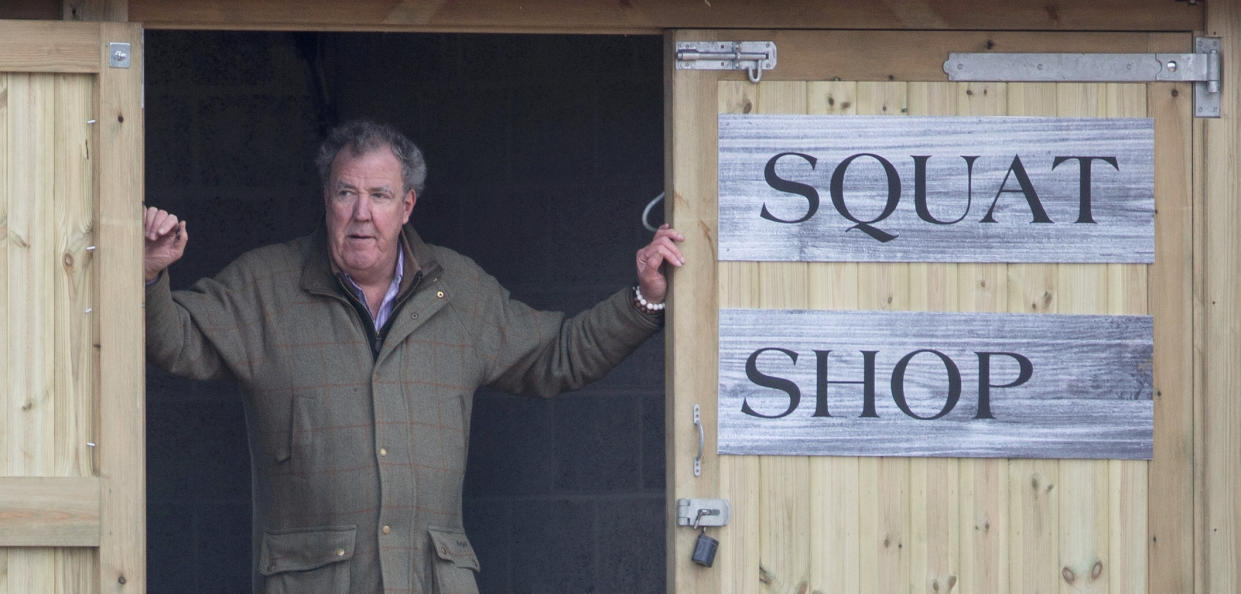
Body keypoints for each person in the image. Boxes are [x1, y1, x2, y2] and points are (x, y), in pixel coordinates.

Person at [144, 119, 685, 593]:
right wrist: (147, 275)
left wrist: (644, 299)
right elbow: (175, 341)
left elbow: (559, 354)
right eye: (344, 193)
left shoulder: (460, 291)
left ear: (406, 206)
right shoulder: (264, 286)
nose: (361, 214)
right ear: (325, 200)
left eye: (379, 196)